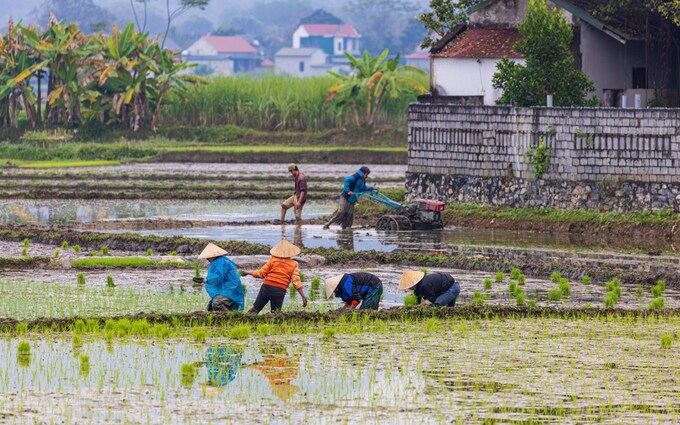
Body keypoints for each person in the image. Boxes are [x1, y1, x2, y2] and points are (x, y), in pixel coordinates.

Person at [242, 239, 308, 313]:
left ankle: (243, 320)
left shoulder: (273, 260)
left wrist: (248, 273)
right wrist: (303, 296)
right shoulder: (293, 264)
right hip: (280, 290)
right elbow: (296, 282)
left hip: (266, 288)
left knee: (255, 309)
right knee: (275, 313)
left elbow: (261, 273)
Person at [194, 243, 244, 312]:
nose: (207, 258)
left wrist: (205, 280)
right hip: (226, 289)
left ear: (213, 255)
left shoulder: (221, 262)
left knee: (216, 303)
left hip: (230, 290)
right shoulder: (218, 262)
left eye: (208, 256)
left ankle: (231, 318)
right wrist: (204, 279)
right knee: (210, 307)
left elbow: (218, 277)